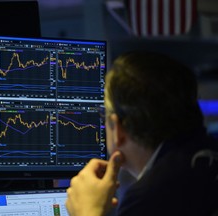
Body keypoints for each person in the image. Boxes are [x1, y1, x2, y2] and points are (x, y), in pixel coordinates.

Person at [65, 51, 218, 216]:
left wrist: (87, 211)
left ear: (117, 129)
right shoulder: (208, 153)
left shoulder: (146, 201)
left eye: (103, 115)